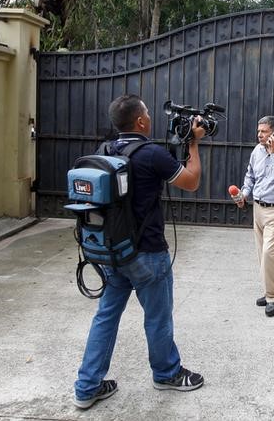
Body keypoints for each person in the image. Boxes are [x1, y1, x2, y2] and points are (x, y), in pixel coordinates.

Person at [73, 94, 206, 409]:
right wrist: (194, 144)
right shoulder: (151, 154)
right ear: (141, 121)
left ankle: (86, 387)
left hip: (113, 253)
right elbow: (191, 182)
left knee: (105, 317)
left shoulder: (104, 151)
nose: (150, 118)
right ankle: (167, 373)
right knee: (158, 318)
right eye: (147, 113)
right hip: (147, 255)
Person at [234, 116, 274, 317]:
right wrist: (244, 194)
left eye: (263, 131)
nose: (259, 135)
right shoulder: (256, 151)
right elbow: (250, 176)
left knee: (269, 253)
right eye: (258, 131)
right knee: (262, 254)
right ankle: (273, 291)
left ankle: (273, 297)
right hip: (259, 209)